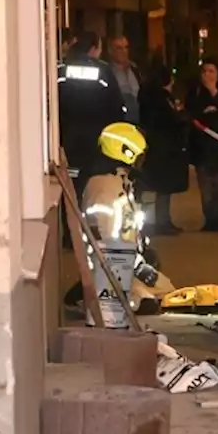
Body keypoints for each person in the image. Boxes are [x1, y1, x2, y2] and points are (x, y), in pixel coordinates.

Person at [81, 122, 175, 317]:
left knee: (169, 292)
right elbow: (107, 241)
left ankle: (92, 292)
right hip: (111, 266)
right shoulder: (105, 190)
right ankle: (89, 294)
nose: (142, 161)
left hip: (126, 263)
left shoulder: (119, 181)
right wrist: (138, 266)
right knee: (147, 303)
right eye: (139, 156)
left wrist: (143, 252)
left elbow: (126, 227)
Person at [57, 30, 128, 200]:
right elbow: (117, 107)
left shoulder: (61, 69)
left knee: (70, 181)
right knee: (92, 180)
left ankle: (71, 219)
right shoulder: (103, 71)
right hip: (96, 136)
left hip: (67, 135)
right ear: (94, 48)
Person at [186, 57, 218, 232]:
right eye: (205, 71)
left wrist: (213, 92)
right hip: (201, 146)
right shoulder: (195, 92)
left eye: (211, 71)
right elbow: (193, 112)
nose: (207, 75)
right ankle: (209, 219)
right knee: (205, 184)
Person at [138, 64, 189, 235]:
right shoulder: (161, 99)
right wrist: (181, 116)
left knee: (154, 186)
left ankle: (157, 221)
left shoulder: (146, 96)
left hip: (154, 146)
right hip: (164, 148)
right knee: (163, 187)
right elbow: (171, 120)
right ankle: (162, 222)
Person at [109, 35, 142, 119]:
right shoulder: (108, 72)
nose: (124, 51)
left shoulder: (135, 69)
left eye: (126, 47)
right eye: (119, 48)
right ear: (111, 51)